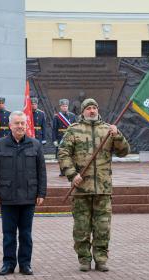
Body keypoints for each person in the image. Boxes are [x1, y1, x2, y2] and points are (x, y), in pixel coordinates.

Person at [58, 98, 130, 272]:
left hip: (102, 189)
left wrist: (118, 135)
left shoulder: (108, 130)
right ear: (83, 111)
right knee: (81, 227)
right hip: (81, 189)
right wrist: (71, 174)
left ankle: (101, 259)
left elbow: (124, 152)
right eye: (88, 108)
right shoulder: (73, 130)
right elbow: (63, 153)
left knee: (103, 227)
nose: (92, 111)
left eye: (94, 108)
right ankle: (84, 259)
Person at [0, 111, 47, 276]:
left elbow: (42, 171)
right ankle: (8, 264)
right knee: (8, 234)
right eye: (16, 123)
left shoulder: (35, 145)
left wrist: (42, 193)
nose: (20, 126)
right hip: (8, 197)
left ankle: (25, 264)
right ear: (10, 125)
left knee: (26, 234)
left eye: (22, 123)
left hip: (29, 196)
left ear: (26, 124)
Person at [52, 99, 76, 176]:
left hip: (70, 138)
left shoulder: (72, 116)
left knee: (71, 154)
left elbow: (75, 127)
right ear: (60, 107)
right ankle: (62, 171)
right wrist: (54, 140)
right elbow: (54, 129)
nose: (65, 107)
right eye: (63, 106)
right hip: (60, 138)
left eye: (66, 106)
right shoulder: (57, 116)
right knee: (61, 155)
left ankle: (70, 170)